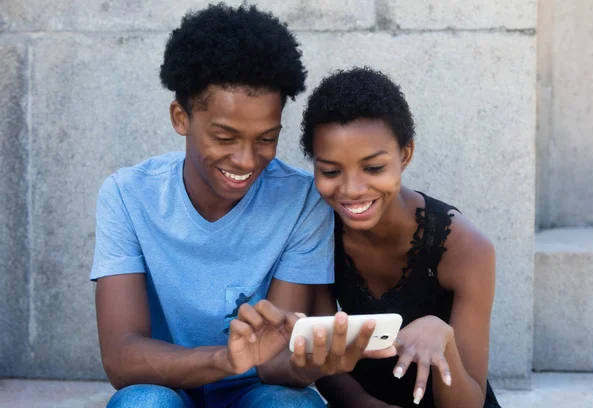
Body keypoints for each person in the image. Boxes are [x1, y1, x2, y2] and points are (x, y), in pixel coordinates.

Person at [90, 5, 387, 408]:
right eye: (225, 137)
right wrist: (223, 359)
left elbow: (275, 364)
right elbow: (122, 359)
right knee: (142, 403)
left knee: (293, 404)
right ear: (181, 117)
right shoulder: (127, 196)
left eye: (265, 138)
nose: (247, 161)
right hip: (166, 386)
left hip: (259, 390)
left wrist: (312, 365)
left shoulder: (300, 200)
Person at [294, 67, 501, 408]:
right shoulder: (315, 229)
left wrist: (443, 337)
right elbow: (325, 361)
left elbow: (470, 402)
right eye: (330, 171)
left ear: (404, 155)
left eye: (373, 168)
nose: (352, 190)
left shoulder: (466, 249)